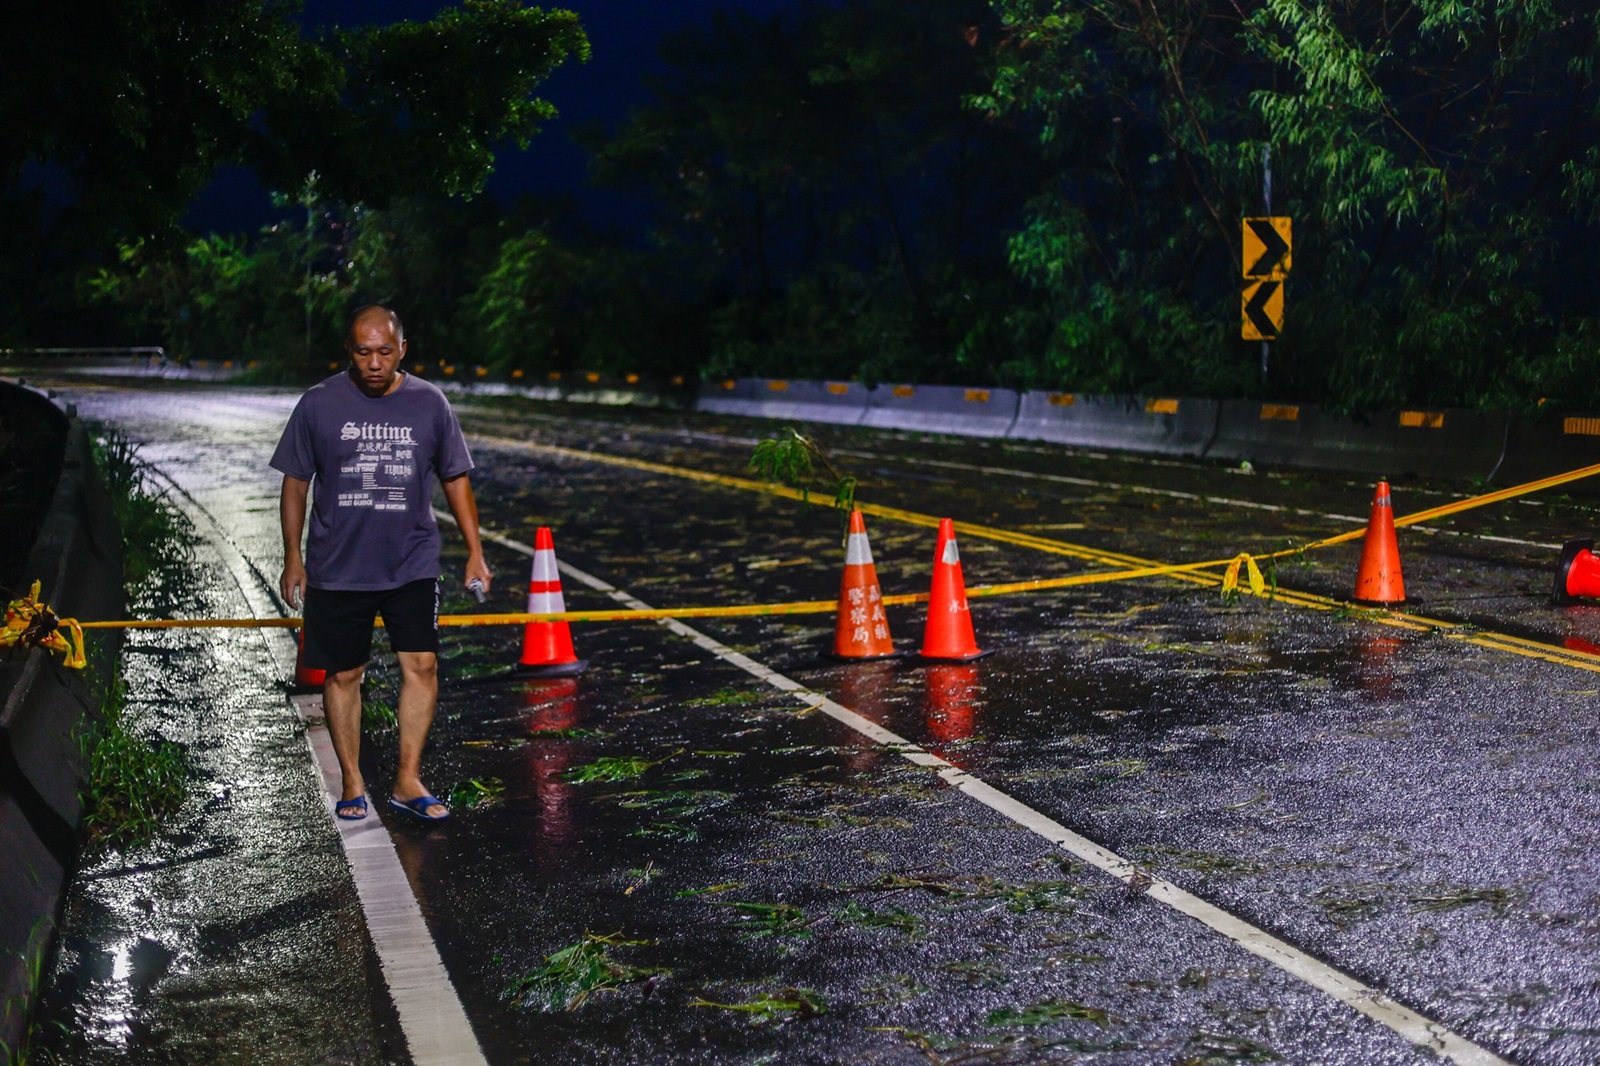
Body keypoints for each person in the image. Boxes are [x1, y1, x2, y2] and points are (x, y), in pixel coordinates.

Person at [273, 305, 491, 823]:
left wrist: (476, 551)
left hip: (411, 562)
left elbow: (455, 477)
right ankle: (352, 780)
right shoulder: (318, 404)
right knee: (345, 673)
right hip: (338, 566)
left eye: (385, 352)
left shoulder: (429, 403)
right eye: (363, 352)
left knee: (422, 666)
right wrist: (293, 557)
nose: (374, 363)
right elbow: (295, 482)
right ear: (348, 351)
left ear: (403, 349)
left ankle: (407, 779)